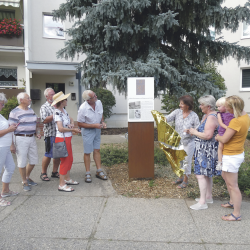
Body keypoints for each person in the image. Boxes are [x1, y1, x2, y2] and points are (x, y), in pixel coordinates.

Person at [215, 95, 250, 221]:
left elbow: (224, 138)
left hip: (232, 155)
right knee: (225, 177)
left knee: (233, 185)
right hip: (235, 153)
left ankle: (236, 214)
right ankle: (232, 202)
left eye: (228, 107)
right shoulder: (245, 116)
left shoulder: (236, 121)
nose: (226, 109)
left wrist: (217, 137)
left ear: (233, 107)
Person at [188, 95, 220, 210]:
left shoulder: (211, 117)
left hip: (206, 150)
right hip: (204, 149)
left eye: (202, 104)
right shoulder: (207, 115)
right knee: (206, 174)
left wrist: (194, 132)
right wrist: (194, 131)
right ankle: (208, 196)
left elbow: (207, 135)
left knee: (200, 175)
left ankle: (202, 202)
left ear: (209, 106)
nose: (200, 106)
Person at [9, 92, 41, 192]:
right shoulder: (14, 112)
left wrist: (37, 133)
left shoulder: (31, 110)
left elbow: (35, 123)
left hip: (31, 138)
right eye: (28, 98)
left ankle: (27, 177)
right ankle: (24, 181)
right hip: (20, 138)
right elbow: (10, 129)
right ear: (21, 100)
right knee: (22, 161)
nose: (30, 99)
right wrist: (12, 144)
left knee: (33, 160)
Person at [165, 95, 200, 188]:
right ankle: (180, 177)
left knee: (187, 161)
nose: (180, 105)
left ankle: (185, 180)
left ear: (188, 105)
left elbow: (198, 127)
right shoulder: (177, 112)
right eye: (180, 103)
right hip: (178, 142)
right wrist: (159, 118)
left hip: (189, 142)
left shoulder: (194, 115)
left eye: (182, 103)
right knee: (179, 160)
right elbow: (167, 118)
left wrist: (191, 130)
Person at [51, 91, 81, 192]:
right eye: (65, 99)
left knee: (70, 159)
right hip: (62, 139)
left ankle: (67, 179)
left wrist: (72, 123)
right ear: (61, 101)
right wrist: (73, 130)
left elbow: (70, 118)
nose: (67, 100)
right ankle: (61, 184)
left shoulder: (63, 110)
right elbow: (60, 128)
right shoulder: (57, 112)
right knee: (65, 161)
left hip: (67, 138)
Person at [77, 90, 108, 183]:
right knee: (87, 152)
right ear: (88, 100)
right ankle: (87, 173)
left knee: (97, 150)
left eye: (95, 94)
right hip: (87, 131)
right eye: (94, 96)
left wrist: (102, 122)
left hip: (97, 130)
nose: (96, 96)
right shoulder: (83, 108)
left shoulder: (98, 102)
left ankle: (99, 171)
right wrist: (94, 125)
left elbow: (101, 113)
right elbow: (80, 123)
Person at [0, 93, 19, 206]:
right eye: (2, 104)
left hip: (5, 146)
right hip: (1, 146)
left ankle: (5, 190)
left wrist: (10, 129)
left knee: (10, 167)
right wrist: (9, 129)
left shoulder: (1, 116)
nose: (3, 106)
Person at [40, 88, 60, 181]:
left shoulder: (58, 105)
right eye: (51, 94)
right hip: (50, 134)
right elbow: (44, 120)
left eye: (54, 93)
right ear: (47, 96)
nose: (54, 95)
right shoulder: (44, 107)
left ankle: (54, 172)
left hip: (59, 134)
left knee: (57, 155)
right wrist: (55, 112)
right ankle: (43, 173)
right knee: (48, 154)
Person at [215, 97, 234, 171]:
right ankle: (220, 162)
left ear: (225, 105)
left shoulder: (232, 113)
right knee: (220, 146)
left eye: (219, 106)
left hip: (231, 131)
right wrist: (229, 129)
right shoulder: (219, 114)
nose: (218, 108)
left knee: (231, 143)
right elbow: (220, 123)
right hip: (223, 131)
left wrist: (231, 130)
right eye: (217, 107)